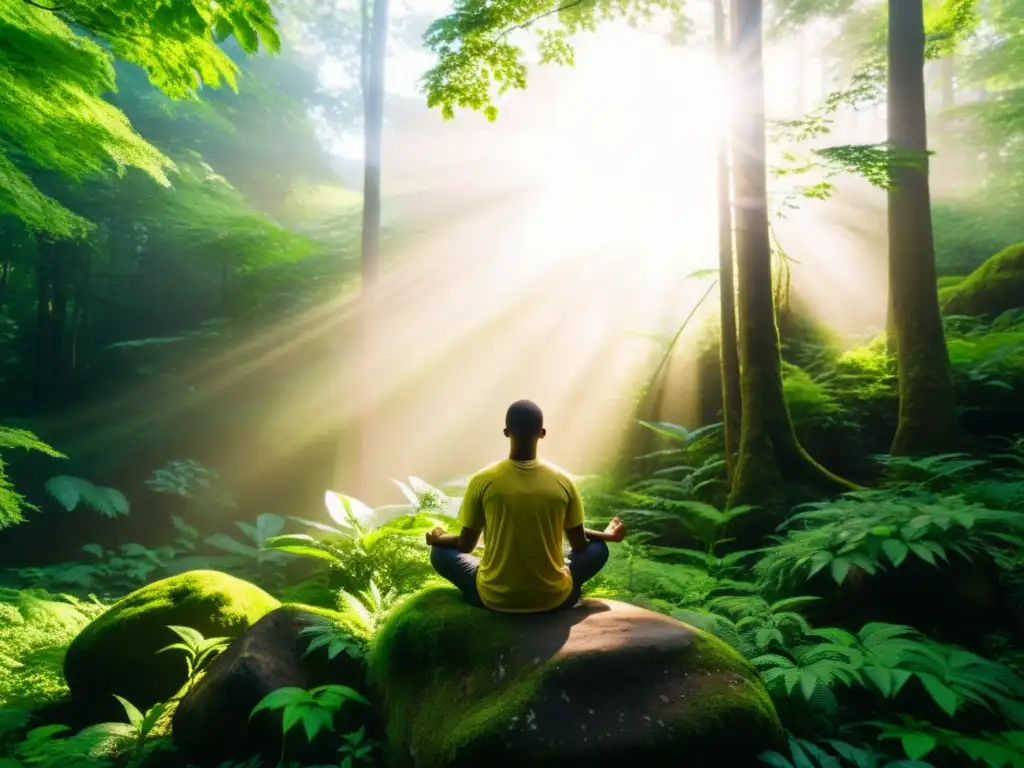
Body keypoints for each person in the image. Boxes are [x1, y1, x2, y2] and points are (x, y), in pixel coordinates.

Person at [425, 399, 626, 613]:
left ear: (506, 432)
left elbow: (465, 545)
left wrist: (437, 539)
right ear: (542, 433)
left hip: (495, 598)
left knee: (439, 553)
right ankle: (568, 593)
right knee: (598, 550)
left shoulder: (482, 480)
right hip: (553, 598)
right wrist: (607, 536)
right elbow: (579, 543)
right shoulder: (563, 481)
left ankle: (479, 596)